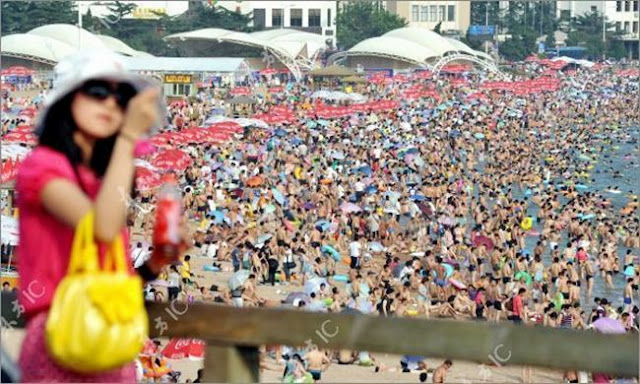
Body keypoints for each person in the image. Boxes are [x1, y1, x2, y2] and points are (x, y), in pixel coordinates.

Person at [15, 50, 186, 382]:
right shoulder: (42, 167)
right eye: (97, 92)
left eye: (120, 97)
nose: (110, 104)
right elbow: (103, 229)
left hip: (108, 343)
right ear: (67, 100)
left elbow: (108, 285)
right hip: (61, 340)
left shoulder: (100, 184)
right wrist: (127, 139)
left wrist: (154, 266)